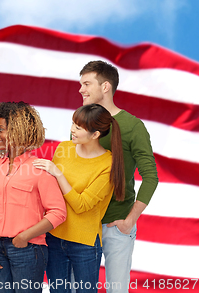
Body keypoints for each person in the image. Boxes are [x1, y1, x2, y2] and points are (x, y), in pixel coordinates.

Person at [78, 61, 158, 293]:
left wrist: (130, 219)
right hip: (83, 224)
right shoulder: (81, 124)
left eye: (86, 84)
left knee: (117, 289)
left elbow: (150, 176)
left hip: (117, 224)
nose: (81, 90)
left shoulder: (133, 126)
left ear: (105, 87)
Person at [33, 103, 125, 293]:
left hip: (84, 243)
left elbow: (82, 205)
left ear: (95, 134)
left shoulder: (108, 164)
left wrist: (58, 174)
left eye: (78, 127)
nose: (72, 130)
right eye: (73, 124)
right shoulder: (63, 148)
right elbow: (49, 192)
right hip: (54, 237)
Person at [0, 102, 67, 293]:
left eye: (1, 130)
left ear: (18, 131)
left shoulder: (40, 168)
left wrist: (25, 236)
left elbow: (58, 212)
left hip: (28, 250)